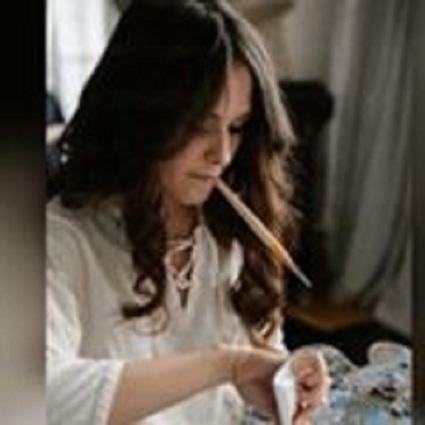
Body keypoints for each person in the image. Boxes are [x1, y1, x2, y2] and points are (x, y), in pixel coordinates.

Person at [46, 0, 329, 424]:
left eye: (236, 127)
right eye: (199, 125)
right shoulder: (59, 239)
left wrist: (285, 380)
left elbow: (259, 369)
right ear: (139, 115)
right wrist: (227, 364)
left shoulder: (232, 234)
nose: (223, 154)